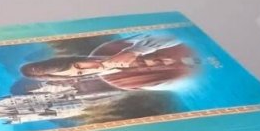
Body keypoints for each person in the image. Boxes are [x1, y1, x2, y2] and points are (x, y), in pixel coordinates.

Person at [19, 33, 198, 90]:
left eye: (79, 65)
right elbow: (177, 83)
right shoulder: (119, 82)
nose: (91, 67)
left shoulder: (109, 48)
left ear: (76, 58)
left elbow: (173, 36)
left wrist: (135, 51)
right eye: (81, 72)